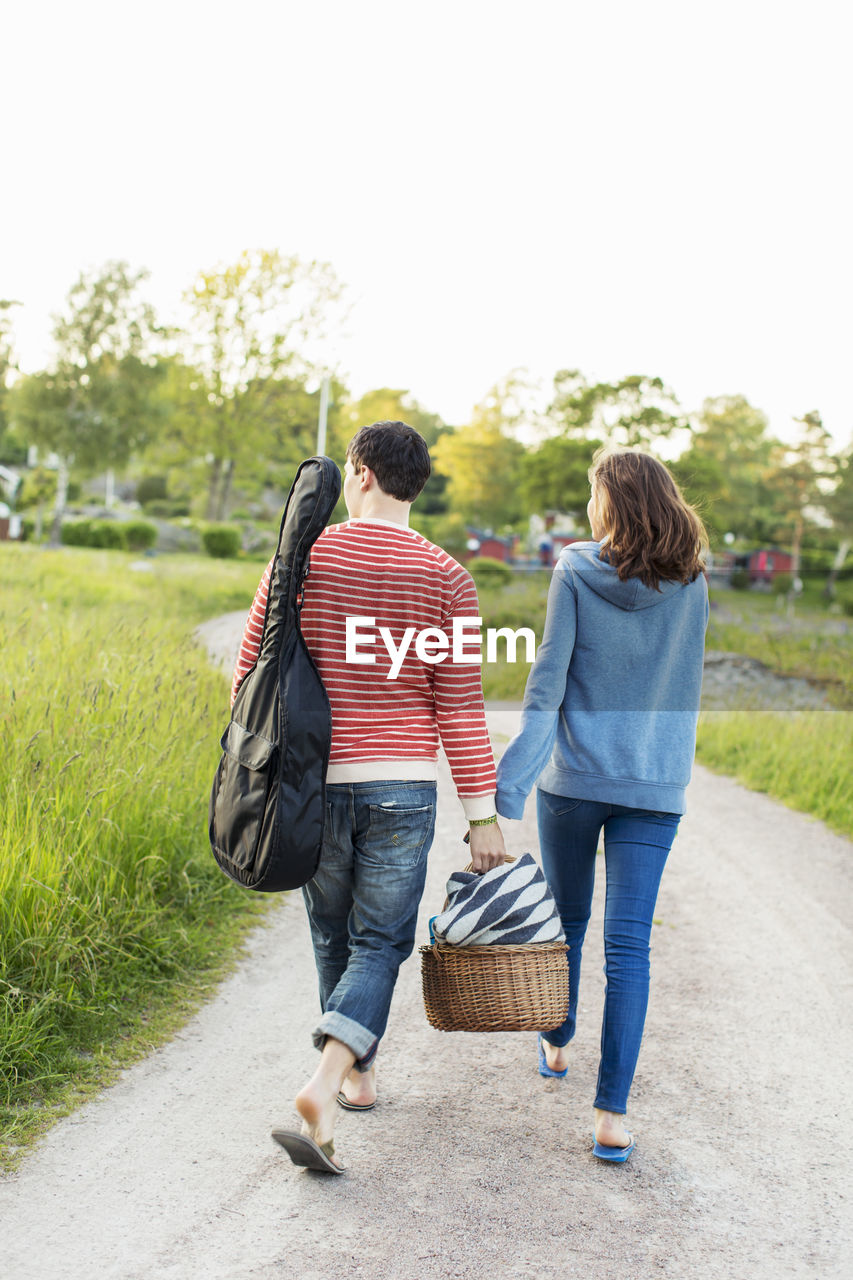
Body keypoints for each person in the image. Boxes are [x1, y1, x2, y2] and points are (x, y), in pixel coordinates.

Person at [231, 421, 506, 1172]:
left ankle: (356, 1074)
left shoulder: (303, 556)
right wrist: (481, 816)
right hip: (402, 790)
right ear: (416, 485)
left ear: (358, 474)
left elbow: (251, 669)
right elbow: (459, 706)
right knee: (381, 941)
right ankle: (334, 1077)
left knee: (332, 936)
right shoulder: (449, 577)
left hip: (312, 786)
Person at [495, 446, 708, 1163]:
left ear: (609, 501)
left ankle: (556, 1042)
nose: (588, 506)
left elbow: (545, 684)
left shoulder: (575, 570)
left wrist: (507, 787)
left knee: (566, 923)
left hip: (575, 783)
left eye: (593, 493)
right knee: (630, 947)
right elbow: (680, 683)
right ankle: (610, 1117)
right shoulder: (693, 580)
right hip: (653, 789)